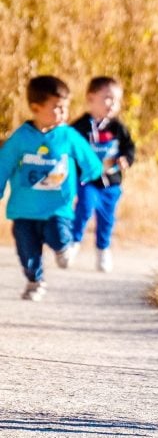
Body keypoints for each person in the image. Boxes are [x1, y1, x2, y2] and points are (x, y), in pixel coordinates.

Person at [0, 75, 103, 301]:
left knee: (58, 236)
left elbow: (89, 159)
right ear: (36, 108)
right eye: (57, 108)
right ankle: (35, 281)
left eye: (66, 107)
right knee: (27, 251)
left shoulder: (67, 135)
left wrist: (92, 173)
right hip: (23, 209)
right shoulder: (20, 138)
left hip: (58, 208)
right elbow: (4, 164)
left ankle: (64, 247)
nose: (64, 113)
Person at [71, 76, 136, 273]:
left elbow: (129, 147)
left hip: (111, 181)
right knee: (84, 207)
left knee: (107, 218)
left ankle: (103, 249)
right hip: (88, 180)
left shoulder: (117, 127)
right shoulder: (80, 126)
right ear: (91, 98)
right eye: (107, 98)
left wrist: (126, 159)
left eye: (116, 100)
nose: (112, 104)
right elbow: (69, 148)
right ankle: (73, 243)